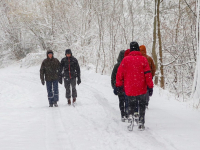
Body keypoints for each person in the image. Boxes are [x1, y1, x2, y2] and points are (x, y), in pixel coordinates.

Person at [115, 41, 154, 130]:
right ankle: (141, 122)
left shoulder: (125, 60)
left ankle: (131, 119)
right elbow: (148, 74)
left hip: (129, 88)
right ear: (137, 49)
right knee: (142, 105)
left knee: (131, 104)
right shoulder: (143, 59)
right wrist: (150, 86)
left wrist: (119, 85)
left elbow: (119, 74)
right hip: (141, 88)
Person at [111, 50, 128, 122]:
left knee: (121, 100)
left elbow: (113, 76)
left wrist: (114, 85)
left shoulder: (117, 65)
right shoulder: (127, 64)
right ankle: (127, 113)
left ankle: (122, 114)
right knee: (127, 100)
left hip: (119, 86)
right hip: (127, 86)